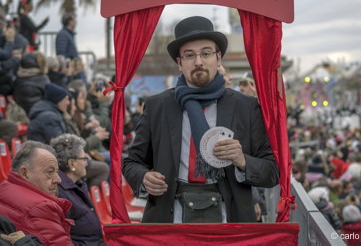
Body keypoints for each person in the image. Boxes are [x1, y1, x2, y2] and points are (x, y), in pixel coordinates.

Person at [123, 16, 279, 223]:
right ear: (179, 63)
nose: (198, 61)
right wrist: (143, 177)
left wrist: (242, 160)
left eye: (206, 53)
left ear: (219, 58)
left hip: (230, 218)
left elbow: (272, 170)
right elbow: (132, 162)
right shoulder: (157, 106)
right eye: (189, 55)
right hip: (170, 217)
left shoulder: (246, 107)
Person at [0, 141, 73, 245]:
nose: (58, 179)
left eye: (57, 172)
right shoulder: (42, 207)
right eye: (50, 172)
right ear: (24, 173)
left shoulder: (4, 187)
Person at [50, 134, 105, 245]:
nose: (86, 163)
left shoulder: (77, 185)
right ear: (71, 163)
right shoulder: (60, 194)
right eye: (84, 158)